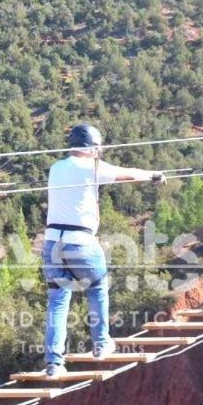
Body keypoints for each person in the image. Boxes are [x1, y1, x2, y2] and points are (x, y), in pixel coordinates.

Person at [42, 124, 165, 378]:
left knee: (58, 300)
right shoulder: (92, 167)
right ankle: (101, 344)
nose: (100, 152)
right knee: (97, 287)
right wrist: (153, 174)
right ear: (91, 147)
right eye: (97, 148)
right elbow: (128, 174)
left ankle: (54, 364)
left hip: (52, 243)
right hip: (80, 241)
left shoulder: (56, 168)